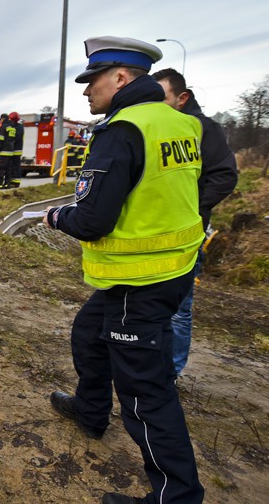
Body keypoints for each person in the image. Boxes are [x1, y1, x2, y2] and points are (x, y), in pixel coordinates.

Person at [44, 36, 205, 504]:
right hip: (170, 270)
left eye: (91, 80)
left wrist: (56, 216)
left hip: (142, 279)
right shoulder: (179, 123)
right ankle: (90, 412)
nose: (85, 91)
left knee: (145, 394)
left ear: (120, 78)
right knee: (88, 334)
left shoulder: (122, 129)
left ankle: (176, 498)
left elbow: (92, 220)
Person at [151, 68, 238, 377]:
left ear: (182, 97)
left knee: (178, 309)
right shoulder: (159, 126)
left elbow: (225, 176)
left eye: (161, 97)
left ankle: (169, 373)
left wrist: (188, 208)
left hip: (186, 234)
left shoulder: (203, 128)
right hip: (155, 232)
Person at [0, 113, 15, 189]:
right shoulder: (12, 128)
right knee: (8, 169)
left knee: (1, 169)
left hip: (3, 151)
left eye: (0, 120)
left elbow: (0, 139)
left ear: (3, 119)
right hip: (10, 152)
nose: (0, 121)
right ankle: (7, 184)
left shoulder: (3, 127)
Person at [7, 111, 24, 188]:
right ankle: (12, 181)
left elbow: (16, 138)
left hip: (16, 150)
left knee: (16, 166)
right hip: (12, 149)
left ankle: (16, 182)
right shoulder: (15, 127)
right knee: (12, 166)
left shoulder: (19, 127)